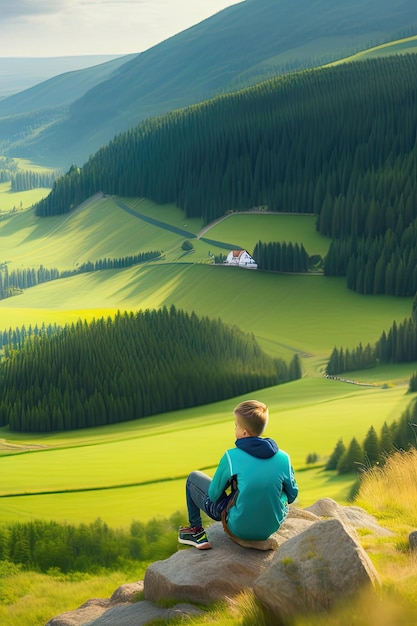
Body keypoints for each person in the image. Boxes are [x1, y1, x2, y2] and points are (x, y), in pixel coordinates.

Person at [178, 399, 298, 550]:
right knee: (280, 489)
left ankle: (195, 531)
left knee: (192, 479)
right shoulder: (284, 458)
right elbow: (292, 495)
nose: (234, 429)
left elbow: (214, 495)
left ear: (244, 432)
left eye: (236, 426)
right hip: (270, 528)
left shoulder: (231, 457)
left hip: (238, 528)